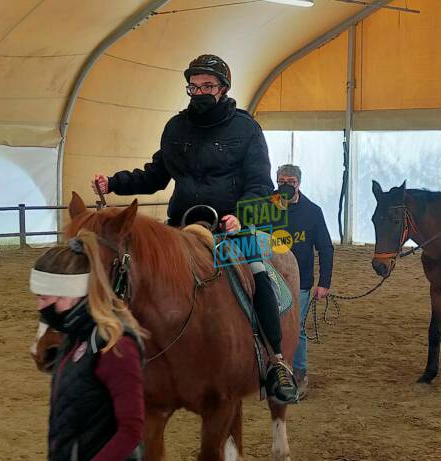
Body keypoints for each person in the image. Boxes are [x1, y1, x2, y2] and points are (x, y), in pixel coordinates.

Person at [92, 54, 298, 403]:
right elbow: (156, 175)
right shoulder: (176, 128)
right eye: (194, 86)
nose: (199, 92)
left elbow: (260, 184)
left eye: (207, 86)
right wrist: (114, 182)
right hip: (182, 227)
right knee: (136, 275)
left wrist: (242, 218)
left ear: (223, 89)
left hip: (233, 225)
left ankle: (276, 360)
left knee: (259, 271)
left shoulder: (247, 129)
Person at [31, 232, 148, 461]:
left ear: (72, 295)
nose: (39, 306)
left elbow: (131, 430)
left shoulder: (117, 348)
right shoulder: (72, 339)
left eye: (45, 298)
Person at [274, 165, 333, 400]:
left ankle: (299, 373)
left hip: (301, 282)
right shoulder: (265, 208)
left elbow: (326, 248)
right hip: (269, 276)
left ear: (299, 183)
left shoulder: (313, 212)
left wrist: (324, 282)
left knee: (295, 329)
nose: (285, 185)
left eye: (290, 181)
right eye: (281, 180)